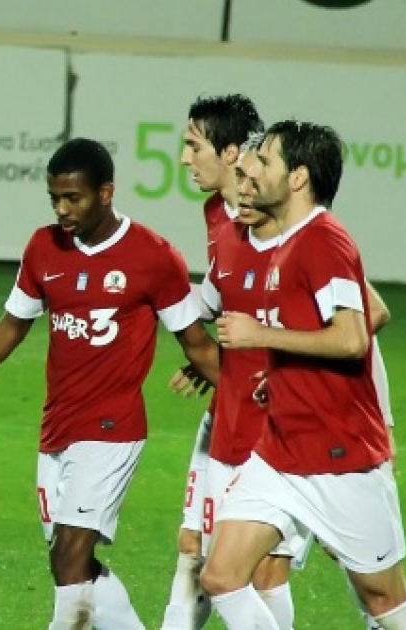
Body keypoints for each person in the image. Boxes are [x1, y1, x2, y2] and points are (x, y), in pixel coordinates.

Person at [0, 138, 220, 630]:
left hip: (112, 430)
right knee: (72, 566)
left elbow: (198, 344)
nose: (62, 209)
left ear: (106, 193)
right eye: (54, 198)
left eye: (73, 198)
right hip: (57, 428)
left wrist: (251, 397)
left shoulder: (152, 256)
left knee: (69, 554)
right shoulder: (44, 248)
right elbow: (13, 325)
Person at [202, 121, 406, 630]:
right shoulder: (285, 242)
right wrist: (282, 373)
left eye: (266, 161)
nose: (251, 171)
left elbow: (353, 337)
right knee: (221, 576)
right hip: (280, 450)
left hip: (339, 457)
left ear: (298, 178)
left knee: (385, 602)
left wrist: (261, 336)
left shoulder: (323, 241)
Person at [161, 94, 264, 630]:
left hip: (272, 415)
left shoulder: (271, 218)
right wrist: (204, 351)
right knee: (193, 542)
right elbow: (221, 296)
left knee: (262, 568)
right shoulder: (216, 215)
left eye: (193, 145)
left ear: (230, 152)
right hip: (227, 403)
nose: (184, 158)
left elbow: (358, 319)